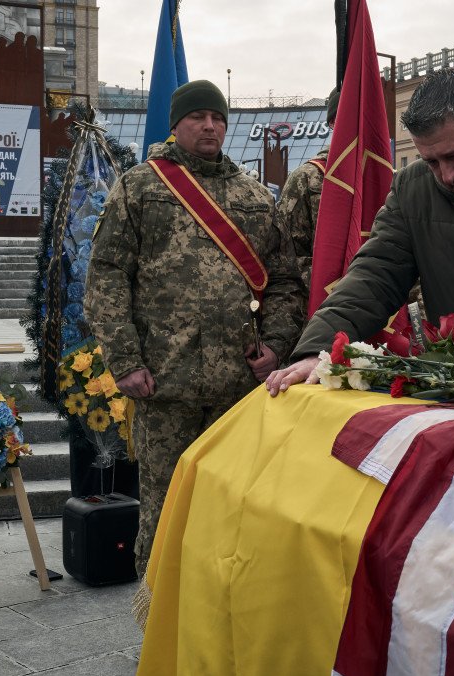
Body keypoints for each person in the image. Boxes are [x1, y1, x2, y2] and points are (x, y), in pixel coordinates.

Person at [84, 80, 304, 576]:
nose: (210, 126)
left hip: (238, 385)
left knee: (234, 507)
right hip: (165, 383)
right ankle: (157, 624)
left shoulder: (253, 195)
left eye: (218, 118)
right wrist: (125, 360)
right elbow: (107, 275)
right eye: (198, 117)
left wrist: (275, 344)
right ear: (176, 123)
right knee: (164, 509)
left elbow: (286, 280)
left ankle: (219, 623)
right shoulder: (140, 186)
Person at [265, 67, 454, 394]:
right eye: (432, 161)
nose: (447, 176)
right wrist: (318, 351)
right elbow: (374, 275)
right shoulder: (415, 189)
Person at [276, 88, 339, 298]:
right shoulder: (307, 179)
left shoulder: (388, 179)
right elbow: (288, 260)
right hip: (324, 309)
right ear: (332, 122)